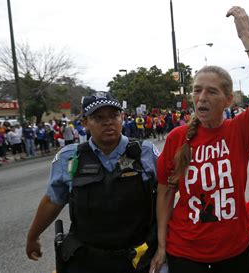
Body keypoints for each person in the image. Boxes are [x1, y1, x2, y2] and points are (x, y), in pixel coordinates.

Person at [149, 6, 249, 273]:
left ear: (229, 99)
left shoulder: (240, 130)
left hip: (235, 253)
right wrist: (161, 245)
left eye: (212, 92)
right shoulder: (177, 138)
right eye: (197, 90)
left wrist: (246, 35)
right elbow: (167, 192)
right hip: (185, 253)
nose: (202, 97)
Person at [26, 92, 159, 273]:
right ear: (85, 123)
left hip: (138, 258)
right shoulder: (69, 157)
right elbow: (53, 200)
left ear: (122, 117)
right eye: (98, 117)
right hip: (88, 259)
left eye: (114, 115)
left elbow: (166, 196)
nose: (108, 122)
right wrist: (33, 236)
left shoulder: (146, 152)